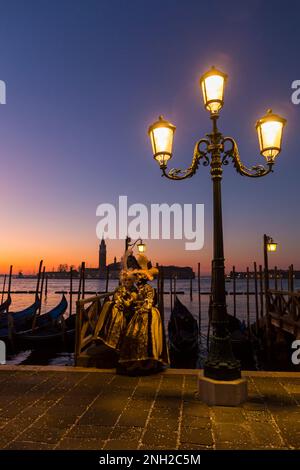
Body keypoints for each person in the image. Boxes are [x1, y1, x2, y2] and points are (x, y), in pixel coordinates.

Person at [118, 254, 169, 374]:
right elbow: (131, 301)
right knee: (133, 337)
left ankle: (149, 362)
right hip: (139, 314)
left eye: (137, 277)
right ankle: (136, 362)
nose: (136, 279)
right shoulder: (137, 289)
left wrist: (142, 306)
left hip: (149, 315)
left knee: (146, 339)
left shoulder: (148, 288)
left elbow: (149, 302)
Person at [96, 271, 137, 351]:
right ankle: (107, 337)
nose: (127, 282)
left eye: (129, 280)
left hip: (129, 310)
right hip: (119, 308)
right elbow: (115, 297)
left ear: (132, 281)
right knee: (110, 308)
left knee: (118, 315)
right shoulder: (119, 288)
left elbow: (131, 302)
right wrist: (118, 302)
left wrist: (123, 301)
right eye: (125, 280)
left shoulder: (134, 290)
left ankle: (118, 341)